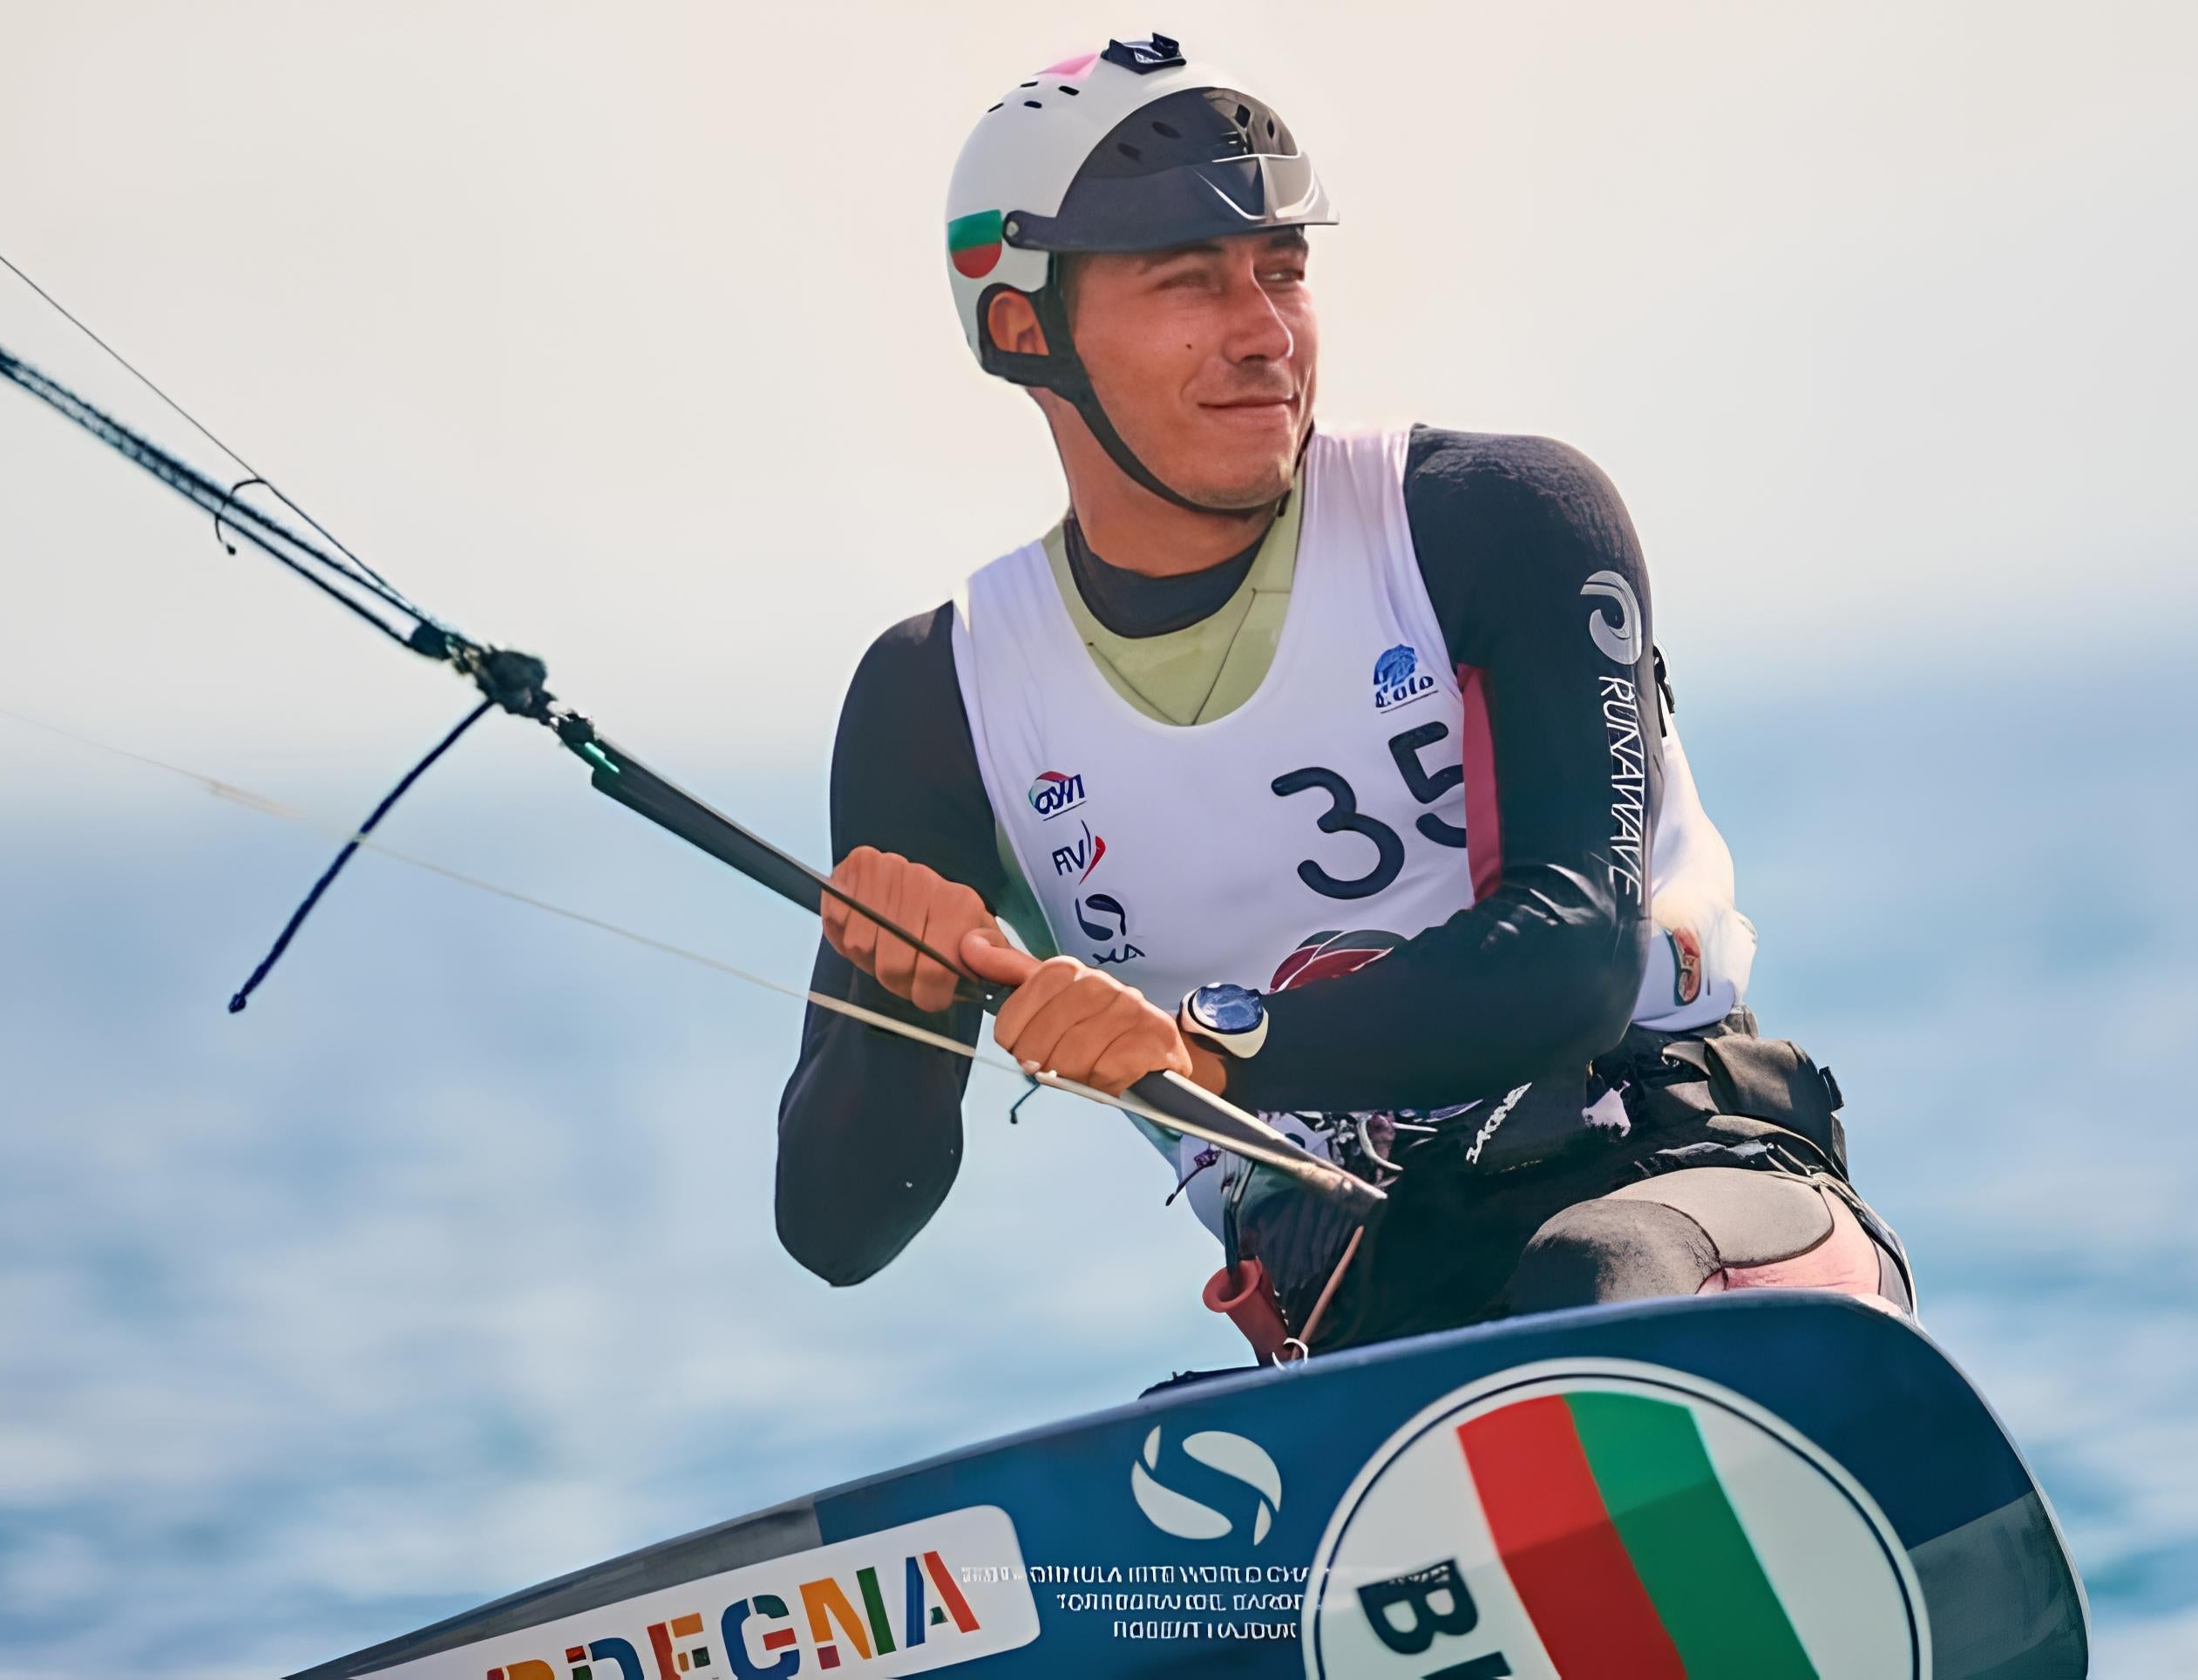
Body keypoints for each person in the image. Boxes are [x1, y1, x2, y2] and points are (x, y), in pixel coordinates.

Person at [775, 34, 1911, 1365]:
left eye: (1283, 269)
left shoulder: (1496, 520)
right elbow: (839, 1227)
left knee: (1587, 1280)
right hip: (1371, 1310)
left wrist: (1214, 1045)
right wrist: (898, 996)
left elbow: (1576, 962)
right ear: (1026, 329)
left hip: (1685, 1193)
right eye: (1188, 278)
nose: (1265, 332)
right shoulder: (941, 699)